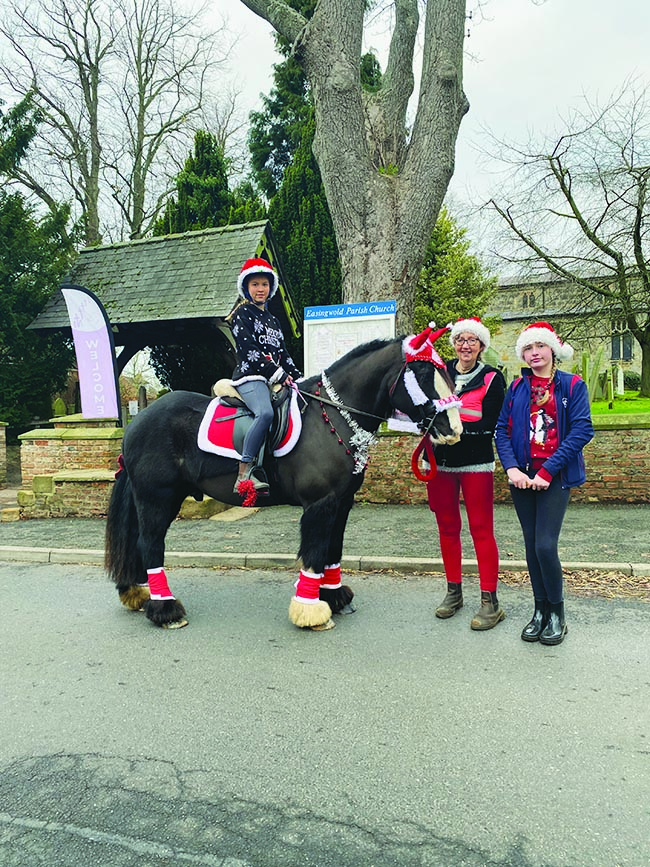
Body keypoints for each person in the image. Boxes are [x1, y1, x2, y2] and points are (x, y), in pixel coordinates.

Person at [495, 321, 594, 645]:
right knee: (530, 547)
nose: (534, 353)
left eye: (539, 346)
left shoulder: (572, 385)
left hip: (555, 477)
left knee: (544, 545)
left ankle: (557, 614)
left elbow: (581, 430)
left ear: (552, 349)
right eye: (528, 348)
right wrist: (511, 468)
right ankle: (539, 611)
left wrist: (548, 471)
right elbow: (502, 431)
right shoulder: (516, 389)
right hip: (522, 478)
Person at [427, 317, 507, 630]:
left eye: (472, 340)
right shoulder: (439, 373)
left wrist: (454, 427)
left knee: (480, 529)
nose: (465, 346)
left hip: (476, 463)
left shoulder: (491, 378)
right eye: (460, 339)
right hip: (441, 463)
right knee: (447, 528)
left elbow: (490, 424)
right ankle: (453, 592)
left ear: (482, 346)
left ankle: (490, 601)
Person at [229, 257, 302, 494]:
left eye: (264, 284)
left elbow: (283, 353)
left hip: (273, 376)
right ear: (246, 288)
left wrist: (298, 378)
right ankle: (244, 471)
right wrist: (277, 374)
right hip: (250, 377)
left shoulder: (273, 320)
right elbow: (249, 350)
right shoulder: (242, 314)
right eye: (255, 284)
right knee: (265, 413)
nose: (260, 289)